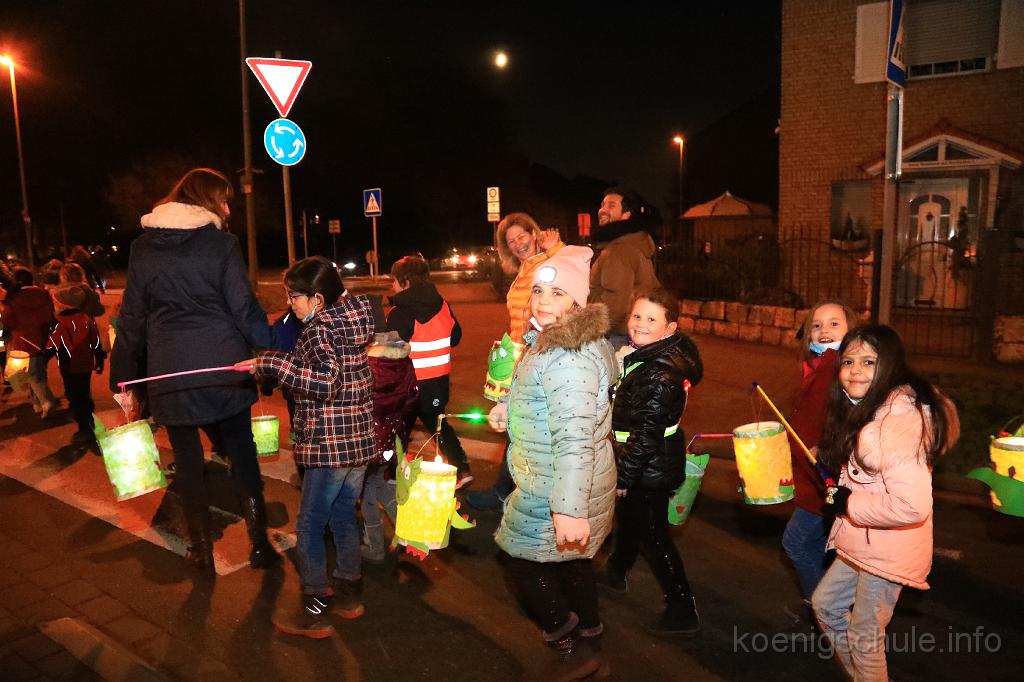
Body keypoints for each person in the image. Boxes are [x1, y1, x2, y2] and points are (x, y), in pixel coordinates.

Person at [110, 168, 278, 578]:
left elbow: (132, 317)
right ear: (207, 200)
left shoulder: (143, 248)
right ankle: (259, 544)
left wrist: (122, 375)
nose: (227, 209)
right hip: (223, 368)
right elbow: (243, 307)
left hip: (169, 373)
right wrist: (272, 352)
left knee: (188, 465)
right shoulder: (221, 244)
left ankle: (201, 551)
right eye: (224, 200)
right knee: (242, 455)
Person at [491, 245, 617, 680]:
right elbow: (561, 405)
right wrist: (510, 410)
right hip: (566, 478)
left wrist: (568, 509)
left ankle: (568, 645)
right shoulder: (559, 340)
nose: (543, 301)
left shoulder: (568, 355)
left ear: (578, 303)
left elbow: (575, 437)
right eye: (539, 291)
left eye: (558, 293)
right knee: (574, 561)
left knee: (521, 560)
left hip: (554, 485)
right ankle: (590, 632)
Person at [813, 325, 957, 681]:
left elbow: (910, 505)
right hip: (863, 540)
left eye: (868, 362)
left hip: (887, 549)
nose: (855, 371)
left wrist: (849, 504)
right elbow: (866, 474)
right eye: (848, 361)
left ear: (889, 365)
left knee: (865, 635)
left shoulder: (896, 425)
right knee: (826, 606)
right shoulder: (869, 407)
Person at [241, 256, 376, 638]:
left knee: (310, 523)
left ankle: (315, 607)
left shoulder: (318, 330)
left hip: (330, 444)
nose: (290, 304)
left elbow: (326, 382)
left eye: (294, 297)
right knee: (343, 516)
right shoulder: (350, 320)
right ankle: (350, 595)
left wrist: (272, 363)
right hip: (357, 442)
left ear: (317, 299)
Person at [598, 289, 704, 637]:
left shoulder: (659, 374)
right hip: (647, 461)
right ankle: (616, 571)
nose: (640, 324)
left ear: (669, 328)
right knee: (632, 521)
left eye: (651, 319)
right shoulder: (648, 356)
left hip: (648, 466)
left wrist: (624, 477)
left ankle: (682, 608)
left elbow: (646, 436)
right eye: (636, 316)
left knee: (654, 536)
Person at [467, 212, 565, 511]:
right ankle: (513, 491)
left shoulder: (549, 262)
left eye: (522, 236)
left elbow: (570, 279)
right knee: (520, 427)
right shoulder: (525, 269)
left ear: (534, 234)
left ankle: (523, 494)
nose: (518, 244)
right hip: (521, 358)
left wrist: (556, 248)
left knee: (528, 428)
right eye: (511, 241)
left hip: (542, 357)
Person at [781, 300, 858, 618]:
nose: (824, 330)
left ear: (852, 330)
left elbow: (845, 422)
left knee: (797, 542)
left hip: (825, 477)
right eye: (816, 325)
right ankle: (827, 605)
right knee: (822, 545)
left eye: (834, 323)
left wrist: (823, 451)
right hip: (814, 475)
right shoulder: (817, 365)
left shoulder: (838, 368)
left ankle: (826, 613)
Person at [386, 255, 473, 488]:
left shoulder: (399, 312)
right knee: (439, 427)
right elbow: (455, 337)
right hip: (437, 384)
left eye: (393, 281)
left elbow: (389, 353)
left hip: (407, 386)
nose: (392, 286)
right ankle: (461, 469)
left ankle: (392, 477)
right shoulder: (442, 305)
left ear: (405, 282)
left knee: (396, 432)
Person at [361, 330, 418, 563]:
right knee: (379, 483)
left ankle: (375, 547)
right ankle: (406, 532)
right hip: (392, 437)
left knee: (367, 491)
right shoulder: (405, 361)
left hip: (367, 438)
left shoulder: (368, 365)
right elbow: (412, 398)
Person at [588, 187, 661, 342]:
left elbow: (615, 300)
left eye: (611, 206)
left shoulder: (619, 249)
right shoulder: (629, 242)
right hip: (627, 332)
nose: (602, 210)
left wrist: (591, 331)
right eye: (602, 205)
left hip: (615, 334)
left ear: (626, 214)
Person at [46, 286, 106, 445]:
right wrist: (100, 358)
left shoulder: (59, 322)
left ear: (63, 305)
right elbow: (95, 341)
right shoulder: (86, 318)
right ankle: (89, 420)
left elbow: (53, 344)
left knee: (75, 395)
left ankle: (85, 428)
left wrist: (43, 355)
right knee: (84, 393)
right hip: (85, 364)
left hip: (69, 366)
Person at [1, 267, 58, 416]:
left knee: (33, 375)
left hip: (23, 340)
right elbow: (50, 314)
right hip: (43, 337)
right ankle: (36, 403)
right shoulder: (43, 293)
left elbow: (8, 322)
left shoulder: (13, 298)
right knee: (38, 370)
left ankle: (46, 400)